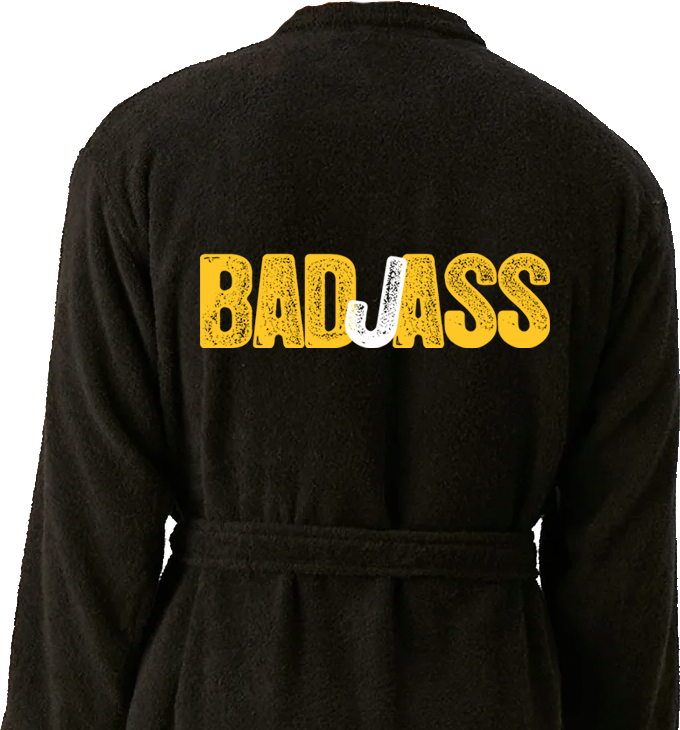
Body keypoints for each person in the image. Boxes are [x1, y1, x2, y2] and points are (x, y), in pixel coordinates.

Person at [1, 2, 678, 728]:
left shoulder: (144, 155)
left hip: (218, 689)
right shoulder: (601, 182)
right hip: (487, 690)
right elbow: (622, 574)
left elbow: (88, 542)